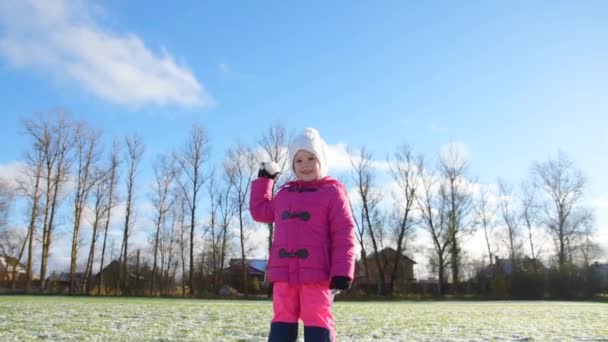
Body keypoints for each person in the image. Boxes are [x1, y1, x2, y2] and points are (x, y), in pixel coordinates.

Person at [250, 127, 356, 342]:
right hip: (284, 275)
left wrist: (343, 271)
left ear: (321, 161)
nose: (305, 165)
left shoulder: (333, 192)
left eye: (311, 158)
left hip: (317, 275)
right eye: (298, 160)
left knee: (317, 319)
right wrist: (264, 181)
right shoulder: (284, 194)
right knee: (282, 319)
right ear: (292, 165)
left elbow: (344, 233)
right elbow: (261, 212)